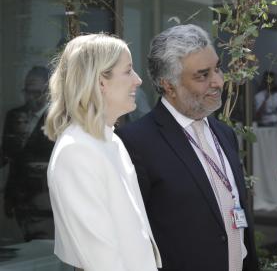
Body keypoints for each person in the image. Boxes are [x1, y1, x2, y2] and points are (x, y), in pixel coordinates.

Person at [116, 24, 258, 271]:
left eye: (217, 69)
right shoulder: (134, 143)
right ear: (168, 85)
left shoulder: (224, 134)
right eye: (202, 75)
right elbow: (130, 239)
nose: (217, 82)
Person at [44, 34, 161, 271]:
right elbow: (102, 260)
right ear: (100, 82)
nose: (138, 80)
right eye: (128, 71)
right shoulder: (77, 150)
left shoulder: (110, 141)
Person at [2, 66, 55, 241]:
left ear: (48, 92)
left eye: (36, 93)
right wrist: (9, 196)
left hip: (46, 199)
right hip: (19, 198)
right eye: (27, 92)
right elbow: (8, 156)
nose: (30, 97)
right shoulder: (14, 115)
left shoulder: (59, 118)